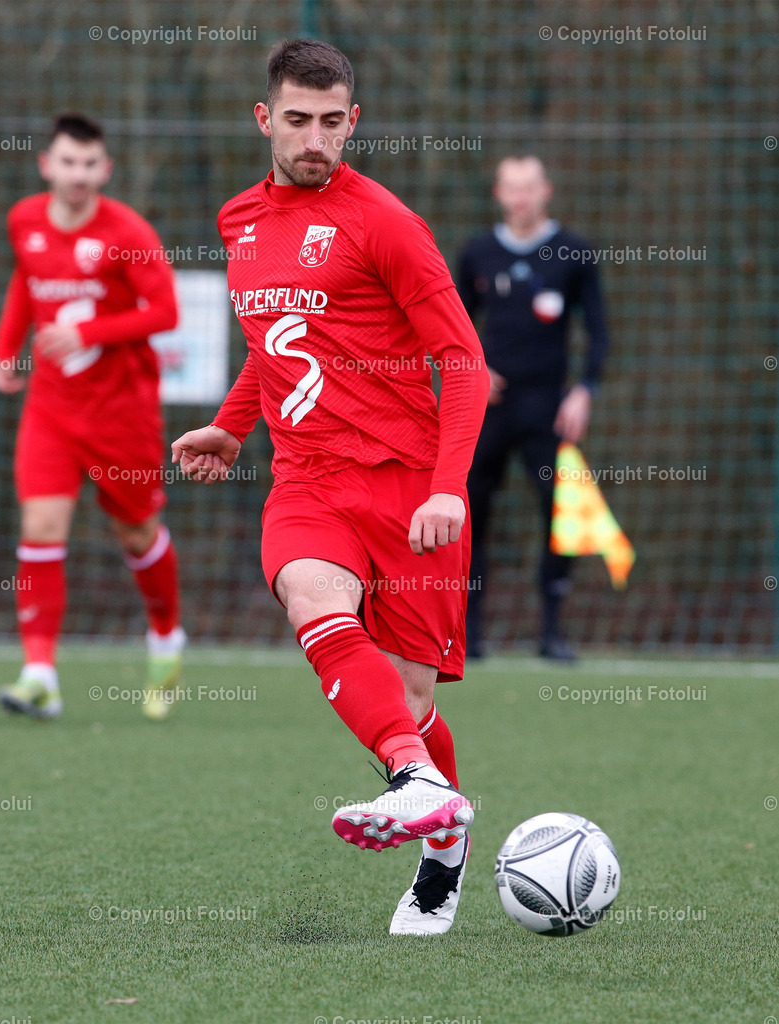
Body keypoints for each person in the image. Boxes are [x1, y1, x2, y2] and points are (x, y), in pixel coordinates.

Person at [171, 40, 490, 936]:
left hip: (407, 488)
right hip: (306, 480)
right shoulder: (237, 220)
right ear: (264, 119)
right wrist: (233, 427)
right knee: (311, 596)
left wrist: (447, 489)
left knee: (415, 701)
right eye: (297, 120)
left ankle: (441, 843)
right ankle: (415, 782)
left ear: (353, 122)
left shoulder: (385, 221)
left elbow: (461, 360)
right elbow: (279, 340)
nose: (315, 139)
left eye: (331, 122)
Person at [0, 112, 184, 720]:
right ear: (47, 165)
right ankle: (39, 673)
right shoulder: (24, 219)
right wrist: (4, 351)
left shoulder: (128, 231)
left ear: (106, 169)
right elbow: (27, 281)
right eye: (66, 162)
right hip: (50, 407)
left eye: (89, 163)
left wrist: (88, 331)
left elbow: (166, 311)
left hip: (120, 410)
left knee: (136, 533)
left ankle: (166, 633)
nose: (77, 174)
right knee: (41, 526)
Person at [456, 155, 610, 662]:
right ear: (499, 193)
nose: (521, 197)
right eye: (511, 188)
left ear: (546, 191)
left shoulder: (574, 252)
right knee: (469, 517)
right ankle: (467, 634)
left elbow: (599, 331)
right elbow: (451, 325)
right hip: (489, 409)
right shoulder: (477, 252)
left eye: (530, 188)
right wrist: (474, 370)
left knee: (560, 515)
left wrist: (584, 389)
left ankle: (551, 632)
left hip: (549, 409)